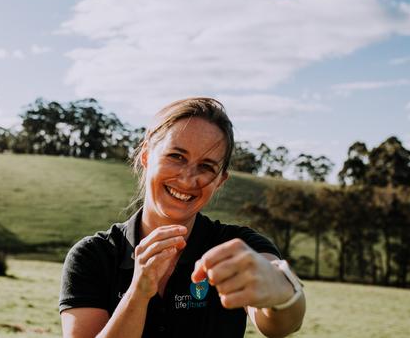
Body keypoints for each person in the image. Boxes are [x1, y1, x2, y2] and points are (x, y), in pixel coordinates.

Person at [59, 98, 306, 337]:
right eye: (176, 156)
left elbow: (282, 326)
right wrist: (138, 292)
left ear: (220, 181)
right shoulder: (92, 256)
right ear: (146, 155)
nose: (188, 179)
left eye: (207, 167)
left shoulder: (238, 246)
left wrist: (279, 291)